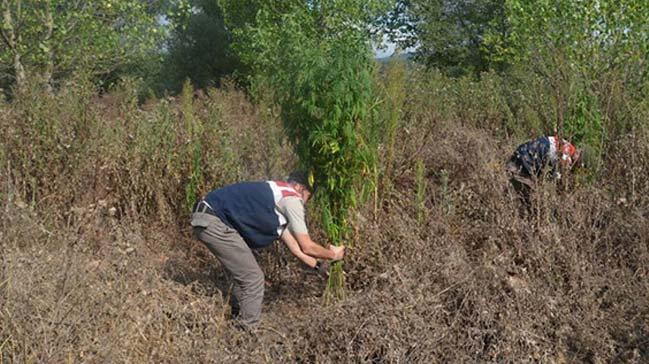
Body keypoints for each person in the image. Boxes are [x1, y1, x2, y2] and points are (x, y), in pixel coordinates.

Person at [190, 171, 344, 329]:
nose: (305, 203)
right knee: (253, 278)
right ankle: (245, 332)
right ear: (299, 187)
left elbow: (297, 250)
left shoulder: (275, 199)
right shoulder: (292, 198)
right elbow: (307, 246)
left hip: (207, 218)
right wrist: (333, 254)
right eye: (307, 197)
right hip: (215, 221)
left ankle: (235, 321)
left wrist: (320, 266)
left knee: (242, 274)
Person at [506, 135, 582, 202]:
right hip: (538, 151)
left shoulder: (568, 146)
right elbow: (558, 174)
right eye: (578, 162)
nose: (575, 164)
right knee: (532, 186)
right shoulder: (568, 153)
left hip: (534, 147)